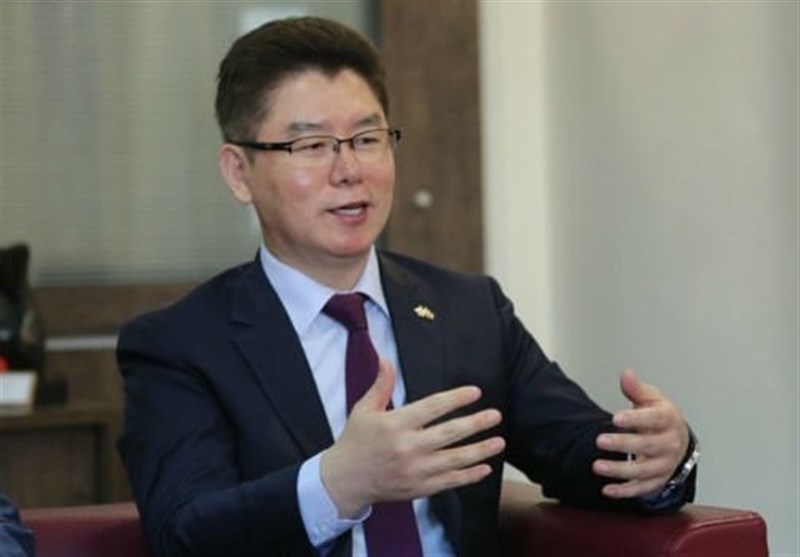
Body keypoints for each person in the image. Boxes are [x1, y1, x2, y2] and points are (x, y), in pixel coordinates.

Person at [116, 16, 698, 557]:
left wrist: (657, 455)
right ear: (239, 173)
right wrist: (339, 483)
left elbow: (575, 450)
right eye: (312, 146)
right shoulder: (180, 345)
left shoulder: (469, 311)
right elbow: (184, 532)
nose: (349, 170)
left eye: (367, 139)